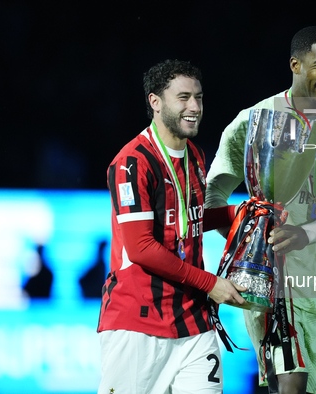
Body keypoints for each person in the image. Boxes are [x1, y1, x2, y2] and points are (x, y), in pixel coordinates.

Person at [206, 27, 316, 394]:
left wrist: (304, 234)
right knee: (290, 385)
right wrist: (248, 243)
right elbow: (213, 196)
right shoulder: (253, 120)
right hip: (274, 285)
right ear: (295, 65)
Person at [97, 59, 248, 394]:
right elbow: (142, 248)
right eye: (183, 98)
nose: (194, 107)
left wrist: (240, 217)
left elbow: (187, 220)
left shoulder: (195, 155)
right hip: (138, 324)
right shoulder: (131, 163)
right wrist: (211, 284)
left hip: (194, 322)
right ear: (155, 102)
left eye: (199, 97)